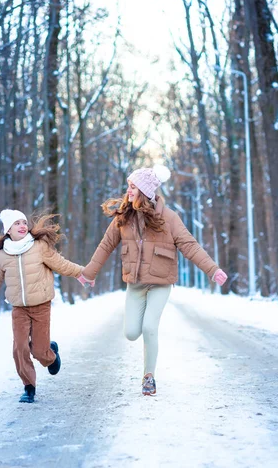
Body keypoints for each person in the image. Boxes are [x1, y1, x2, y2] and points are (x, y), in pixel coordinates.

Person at [79, 165, 228, 397]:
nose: (128, 191)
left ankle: (149, 377)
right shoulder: (123, 218)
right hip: (135, 284)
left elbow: (190, 246)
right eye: (128, 186)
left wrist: (212, 269)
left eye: (133, 187)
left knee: (150, 327)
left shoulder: (168, 218)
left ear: (145, 191)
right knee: (130, 332)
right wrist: (89, 273)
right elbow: (106, 245)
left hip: (160, 283)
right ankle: (147, 370)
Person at [0, 209, 89, 403]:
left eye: (23, 222)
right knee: (19, 348)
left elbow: (61, 264)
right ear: (8, 231)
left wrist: (82, 273)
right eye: (16, 223)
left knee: (39, 351)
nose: (22, 226)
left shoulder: (39, 247)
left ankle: (51, 355)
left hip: (41, 307)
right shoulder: (2, 256)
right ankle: (28, 387)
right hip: (19, 309)